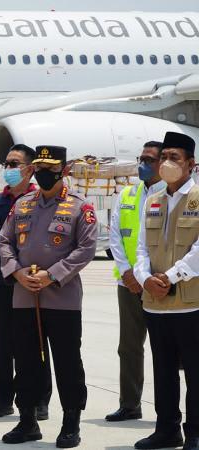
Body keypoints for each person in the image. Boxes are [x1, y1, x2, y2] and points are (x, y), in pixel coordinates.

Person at [0, 145, 97, 448]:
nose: (42, 174)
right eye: (38, 168)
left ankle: (70, 422)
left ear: (63, 170)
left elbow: (86, 248)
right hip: (24, 295)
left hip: (61, 297)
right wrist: (16, 272)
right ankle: (26, 420)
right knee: (26, 361)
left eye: (49, 169)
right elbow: (5, 240)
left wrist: (51, 274)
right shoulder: (23, 204)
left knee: (67, 361)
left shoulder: (80, 207)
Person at [133, 132, 199, 450]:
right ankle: (167, 428)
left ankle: (196, 432)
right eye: (164, 157)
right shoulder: (153, 200)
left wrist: (170, 278)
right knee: (163, 370)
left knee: (196, 372)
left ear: (191, 164)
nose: (167, 163)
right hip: (155, 303)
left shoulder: (198, 197)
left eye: (175, 157)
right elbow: (142, 249)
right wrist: (145, 277)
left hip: (190, 302)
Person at [0, 144, 52, 420]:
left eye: (15, 163)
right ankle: (2, 398)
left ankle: (39, 400)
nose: (9, 169)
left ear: (30, 168)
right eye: (6, 163)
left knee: (36, 344)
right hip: (3, 283)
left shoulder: (41, 200)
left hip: (34, 285)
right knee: (3, 344)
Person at [106, 141, 165, 423]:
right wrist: (127, 272)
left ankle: (169, 410)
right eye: (140, 158)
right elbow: (116, 235)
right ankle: (129, 404)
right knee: (129, 347)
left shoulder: (170, 195)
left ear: (162, 163)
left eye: (149, 160)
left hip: (162, 285)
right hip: (129, 285)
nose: (142, 164)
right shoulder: (127, 194)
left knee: (168, 350)